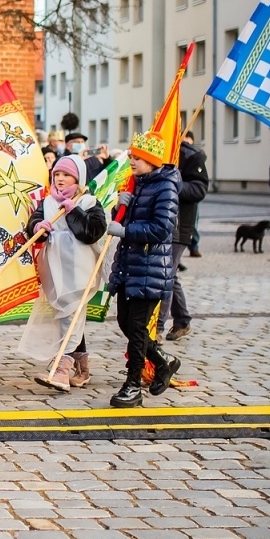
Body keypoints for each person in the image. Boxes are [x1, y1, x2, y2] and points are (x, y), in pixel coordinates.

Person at [18, 154, 108, 391]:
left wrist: (73, 211)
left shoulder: (89, 203)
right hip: (55, 269)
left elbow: (92, 232)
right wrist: (38, 227)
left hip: (79, 269)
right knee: (64, 315)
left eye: (66, 175)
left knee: (72, 315)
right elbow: (34, 222)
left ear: (77, 178)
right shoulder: (48, 202)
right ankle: (82, 368)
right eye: (57, 174)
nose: (60, 179)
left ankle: (61, 369)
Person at [105, 131, 180, 408]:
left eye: (136, 158)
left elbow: (162, 229)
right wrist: (119, 209)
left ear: (151, 161)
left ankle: (133, 385)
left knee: (136, 327)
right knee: (126, 324)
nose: (131, 161)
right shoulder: (135, 183)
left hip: (150, 269)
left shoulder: (165, 188)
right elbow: (124, 220)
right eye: (132, 156)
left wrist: (125, 230)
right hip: (129, 266)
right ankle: (163, 360)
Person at [162, 130, 208, 342]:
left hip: (179, 227)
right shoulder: (156, 153)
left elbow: (199, 189)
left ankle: (157, 329)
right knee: (169, 275)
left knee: (165, 275)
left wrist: (173, 184)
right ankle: (182, 320)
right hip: (157, 223)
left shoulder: (191, 157)